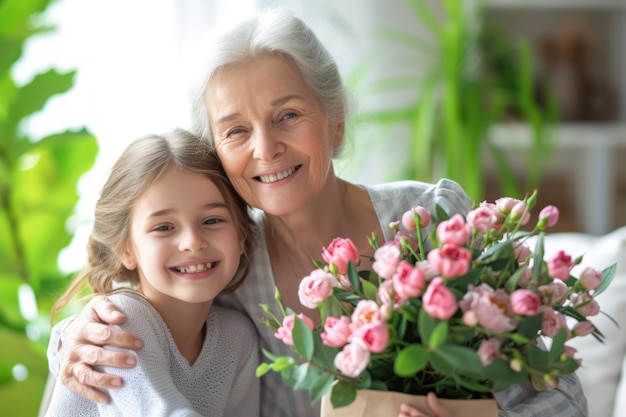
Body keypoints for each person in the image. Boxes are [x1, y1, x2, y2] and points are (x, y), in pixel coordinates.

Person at [43, 8, 588, 417]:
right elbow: (150, 321)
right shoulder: (228, 272)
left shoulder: (431, 217)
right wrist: (72, 336)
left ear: (336, 122)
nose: (265, 148)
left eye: (288, 115)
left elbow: (564, 397)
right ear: (217, 153)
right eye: (236, 130)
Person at [44, 129, 259, 417]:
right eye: (163, 227)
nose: (192, 242)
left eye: (211, 220)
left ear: (241, 236)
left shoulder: (238, 338)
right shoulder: (119, 320)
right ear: (125, 249)